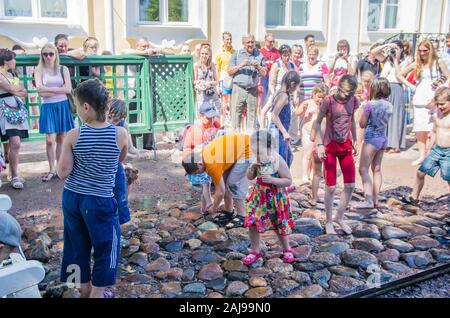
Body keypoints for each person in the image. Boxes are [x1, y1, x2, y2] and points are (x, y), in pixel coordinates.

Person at [57, 79, 128, 298]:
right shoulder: (120, 134)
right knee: (107, 247)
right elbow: (119, 161)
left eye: (77, 106)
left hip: (73, 199)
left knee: (75, 246)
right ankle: (97, 293)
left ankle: (84, 290)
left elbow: (62, 172)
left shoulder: (73, 135)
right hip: (100, 200)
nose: (76, 111)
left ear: (86, 107)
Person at [314, 75, 359, 235]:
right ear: (339, 88)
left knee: (350, 185)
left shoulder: (354, 100)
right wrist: (319, 145)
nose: (348, 96)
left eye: (351, 94)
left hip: (346, 145)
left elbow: (352, 120)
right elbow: (317, 122)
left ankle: (339, 217)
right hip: (330, 146)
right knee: (331, 187)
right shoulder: (329, 101)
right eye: (346, 93)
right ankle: (328, 221)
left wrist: (355, 140)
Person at [242, 129, 295, 266]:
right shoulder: (256, 160)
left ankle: (286, 248)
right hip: (259, 199)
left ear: (270, 148)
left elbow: (288, 180)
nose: (257, 155)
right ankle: (255, 250)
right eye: (255, 152)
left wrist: (273, 180)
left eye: (260, 152)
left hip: (275, 198)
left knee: (279, 224)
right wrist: (252, 167)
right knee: (253, 223)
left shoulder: (277, 160)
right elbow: (249, 177)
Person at [182, 133, 251, 227]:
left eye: (198, 172)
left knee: (233, 183)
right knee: (226, 182)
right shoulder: (204, 156)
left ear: (199, 164)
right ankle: (228, 211)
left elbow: (220, 192)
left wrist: (213, 208)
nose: (201, 174)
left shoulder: (211, 165)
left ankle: (242, 216)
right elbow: (221, 187)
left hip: (246, 150)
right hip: (236, 151)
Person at [402, 40, 450, 166]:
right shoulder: (417, 63)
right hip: (419, 98)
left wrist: (442, 87)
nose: (422, 53)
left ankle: (429, 154)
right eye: (420, 50)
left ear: (430, 50)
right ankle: (422, 155)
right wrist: (412, 87)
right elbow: (400, 74)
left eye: (425, 50)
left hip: (434, 99)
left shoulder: (438, 62)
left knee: (432, 129)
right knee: (420, 129)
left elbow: (448, 76)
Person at [34, 43, 74, 182]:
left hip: (62, 105)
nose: (48, 57)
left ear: (56, 54)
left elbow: (68, 89)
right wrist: (59, 88)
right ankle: (51, 168)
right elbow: (40, 91)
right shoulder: (39, 69)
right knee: (50, 140)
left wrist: (48, 89)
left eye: (51, 54)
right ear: (42, 55)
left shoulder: (63, 69)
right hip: (48, 106)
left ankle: (58, 168)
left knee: (61, 139)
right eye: (45, 54)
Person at [354, 77, 393, 210]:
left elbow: (362, 123)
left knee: (363, 169)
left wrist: (362, 113)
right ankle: (376, 199)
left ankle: (368, 199)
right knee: (376, 169)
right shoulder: (389, 105)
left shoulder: (369, 105)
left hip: (371, 139)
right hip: (383, 138)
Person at [407, 87, 450, 204]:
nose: (440, 106)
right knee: (420, 173)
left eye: (443, 104)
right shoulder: (437, 115)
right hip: (436, 150)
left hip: (448, 152)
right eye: (438, 104)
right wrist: (428, 149)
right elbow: (435, 132)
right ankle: (413, 197)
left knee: (448, 178)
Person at [372, 41, 412, 153]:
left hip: (397, 87)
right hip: (384, 87)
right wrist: (387, 46)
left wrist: (397, 58)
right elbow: (373, 52)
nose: (394, 50)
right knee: (384, 115)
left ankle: (395, 144)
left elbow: (400, 76)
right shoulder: (386, 59)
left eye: (397, 48)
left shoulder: (406, 61)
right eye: (393, 48)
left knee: (396, 115)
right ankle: (385, 142)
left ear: (402, 49)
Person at [182, 102, 221, 214]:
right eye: (209, 117)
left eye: (213, 116)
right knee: (205, 181)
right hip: (192, 162)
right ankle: (209, 204)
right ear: (201, 115)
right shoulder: (196, 130)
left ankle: (204, 209)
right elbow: (200, 152)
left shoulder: (214, 123)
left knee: (206, 181)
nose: (211, 119)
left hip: (205, 158)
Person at [0, 49, 29, 189]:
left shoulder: (12, 74)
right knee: (13, 142)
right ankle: (12, 174)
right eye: (13, 59)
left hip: (16, 110)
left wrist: (16, 89)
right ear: (6, 61)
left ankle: (14, 174)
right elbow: (11, 88)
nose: (15, 62)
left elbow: (24, 92)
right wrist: (15, 89)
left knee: (16, 143)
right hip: (3, 110)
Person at [228, 34, 267, 132]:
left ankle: (249, 142)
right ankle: (235, 141)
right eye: (248, 42)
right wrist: (240, 65)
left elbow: (264, 73)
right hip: (239, 88)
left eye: (252, 42)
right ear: (243, 44)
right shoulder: (236, 54)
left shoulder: (259, 55)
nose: (250, 44)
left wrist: (258, 66)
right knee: (236, 115)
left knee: (252, 117)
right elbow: (229, 71)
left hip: (252, 90)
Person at [294, 45, 329, 145]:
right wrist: (296, 94)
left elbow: (327, 81)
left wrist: (326, 95)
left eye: (313, 54)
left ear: (317, 55)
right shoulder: (302, 66)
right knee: (303, 116)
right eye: (309, 54)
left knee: (316, 116)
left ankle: (316, 136)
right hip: (303, 94)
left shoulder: (322, 65)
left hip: (318, 97)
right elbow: (297, 82)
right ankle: (301, 137)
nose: (311, 57)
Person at [295, 84, 329, 186]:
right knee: (308, 154)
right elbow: (297, 113)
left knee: (318, 155)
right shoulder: (308, 103)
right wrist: (304, 110)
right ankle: (305, 175)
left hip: (320, 133)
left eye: (323, 97)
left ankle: (313, 174)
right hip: (307, 131)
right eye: (319, 97)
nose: (320, 100)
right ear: (313, 94)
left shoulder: (326, 105)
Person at [267, 71, 301, 169]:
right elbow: (274, 115)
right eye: (296, 86)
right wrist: (285, 132)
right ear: (292, 84)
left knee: (287, 157)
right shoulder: (284, 96)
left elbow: (266, 111)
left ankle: (279, 182)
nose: (296, 89)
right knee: (279, 161)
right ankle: (277, 182)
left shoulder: (278, 92)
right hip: (278, 133)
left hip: (276, 131)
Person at [108, 99, 131, 226]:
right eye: (109, 117)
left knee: (121, 196)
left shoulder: (123, 127)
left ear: (122, 119)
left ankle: (122, 225)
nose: (111, 122)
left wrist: (141, 153)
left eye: (115, 120)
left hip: (116, 164)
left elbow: (129, 149)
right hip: (105, 166)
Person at [260, 45, 295, 128]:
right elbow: (271, 83)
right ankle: (263, 130)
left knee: (287, 116)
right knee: (265, 111)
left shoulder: (292, 66)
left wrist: (294, 94)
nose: (287, 58)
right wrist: (275, 94)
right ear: (281, 55)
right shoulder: (276, 65)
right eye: (285, 55)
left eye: (288, 55)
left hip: (287, 95)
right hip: (277, 93)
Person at [214, 32, 235, 125]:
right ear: (223, 40)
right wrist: (217, 84)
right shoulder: (219, 53)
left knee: (232, 101)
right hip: (224, 78)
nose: (229, 41)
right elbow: (216, 69)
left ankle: (230, 120)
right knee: (224, 102)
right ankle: (222, 123)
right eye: (227, 39)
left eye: (230, 39)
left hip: (233, 79)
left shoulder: (234, 52)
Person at [194, 44, 221, 116]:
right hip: (202, 95)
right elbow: (194, 81)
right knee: (203, 117)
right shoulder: (196, 66)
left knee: (216, 114)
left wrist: (210, 83)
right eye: (202, 53)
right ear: (199, 54)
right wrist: (202, 83)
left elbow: (216, 81)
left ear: (209, 55)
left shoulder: (212, 65)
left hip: (212, 94)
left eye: (206, 54)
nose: (204, 56)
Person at [260, 33, 280, 104]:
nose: (272, 43)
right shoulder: (261, 52)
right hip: (264, 76)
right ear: (265, 41)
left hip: (274, 76)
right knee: (264, 95)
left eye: (273, 41)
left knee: (272, 94)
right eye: (270, 41)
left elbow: (279, 63)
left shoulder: (276, 51)